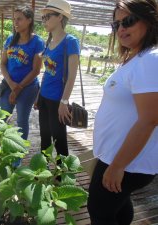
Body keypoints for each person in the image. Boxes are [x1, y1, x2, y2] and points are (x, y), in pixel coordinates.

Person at [87, 0, 158, 224]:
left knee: (99, 210)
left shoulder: (150, 60)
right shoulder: (137, 57)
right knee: (118, 205)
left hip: (126, 161)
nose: (121, 29)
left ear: (149, 20)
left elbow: (150, 120)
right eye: (115, 24)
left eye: (127, 21)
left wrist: (118, 166)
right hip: (117, 156)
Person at [37, 0, 79, 157]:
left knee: (59, 140)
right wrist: (38, 95)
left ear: (60, 17)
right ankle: (43, 170)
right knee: (44, 138)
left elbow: (72, 76)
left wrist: (64, 102)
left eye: (48, 17)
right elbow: (47, 72)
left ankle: (62, 176)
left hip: (57, 100)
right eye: (43, 18)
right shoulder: (49, 41)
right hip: (44, 97)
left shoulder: (70, 41)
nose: (44, 21)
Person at [0, 5, 44, 142]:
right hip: (9, 85)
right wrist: (12, 85)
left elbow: (36, 70)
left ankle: (19, 153)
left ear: (29, 20)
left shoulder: (37, 42)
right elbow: (2, 64)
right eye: (14, 19)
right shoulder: (10, 39)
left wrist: (18, 88)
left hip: (28, 88)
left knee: (21, 121)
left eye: (19, 19)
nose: (15, 22)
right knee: (0, 117)